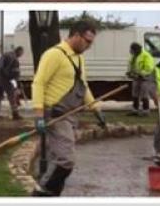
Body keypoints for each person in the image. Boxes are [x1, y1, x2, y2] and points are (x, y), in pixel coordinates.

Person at [31, 20, 106, 197]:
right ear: (76, 35)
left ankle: (52, 195)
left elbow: (83, 86)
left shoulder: (79, 58)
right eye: (87, 41)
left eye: (91, 42)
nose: (89, 46)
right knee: (66, 160)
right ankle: (40, 194)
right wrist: (39, 115)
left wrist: (96, 109)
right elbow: (38, 83)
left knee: (55, 160)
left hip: (69, 115)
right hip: (55, 115)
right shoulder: (54, 54)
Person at [0, 46, 24, 120]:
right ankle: (15, 114)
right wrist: (18, 85)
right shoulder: (15, 59)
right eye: (22, 53)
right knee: (11, 94)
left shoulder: (5, 54)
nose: (21, 55)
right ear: (19, 52)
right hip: (4, 78)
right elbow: (16, 73)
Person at [126, 42, 155, 116]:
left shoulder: (146, 55)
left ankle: (146, 111)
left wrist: (141, 74)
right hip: (136, 77)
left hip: (145, 78)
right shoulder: (133, 56)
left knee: (144, 94)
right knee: (135, 93)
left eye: (132, 49)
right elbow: (131, 64)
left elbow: (149, 68)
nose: (130, 51)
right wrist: (129, 72)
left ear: (136, 49)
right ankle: (135, 110)